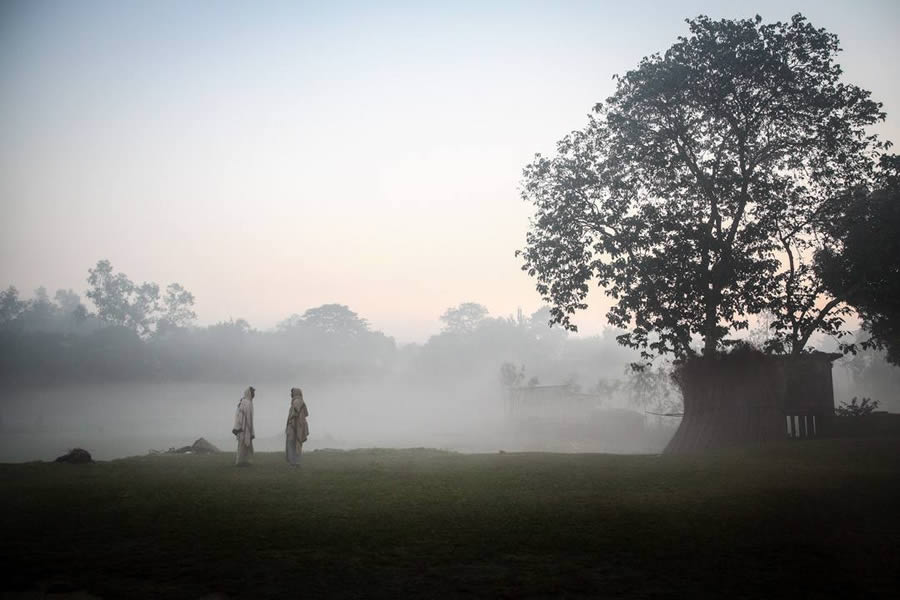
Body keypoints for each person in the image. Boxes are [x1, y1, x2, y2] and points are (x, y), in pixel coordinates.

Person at [285, 387, 309, 466]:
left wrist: (293, 425)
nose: (291, 394)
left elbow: (295, 414)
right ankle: (296, 461)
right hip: (297, 426)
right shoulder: (299, 401)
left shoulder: (297, 401)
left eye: (292, 392)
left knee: (292, 444)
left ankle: (293, 462)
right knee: (296, 444)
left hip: (294, 427)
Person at [232, 386, 255, 466]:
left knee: (246, 446)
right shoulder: (246, 403)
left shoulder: (248, 402)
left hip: (246, 429)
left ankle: (246, 461)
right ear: (249, 393)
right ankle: (240, 462)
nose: (254, 394)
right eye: (252, 392)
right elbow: (240, 416)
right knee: (242, 445)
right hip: (243, 429)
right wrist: (238, 427)